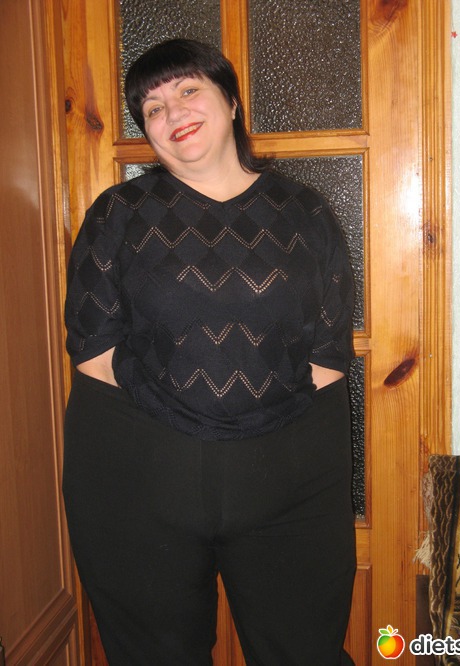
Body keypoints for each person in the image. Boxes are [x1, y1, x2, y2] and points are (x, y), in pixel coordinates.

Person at [63, 38, 356, 666]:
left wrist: (257, 435)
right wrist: (185, 420)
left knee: (304, 651)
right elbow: (91, 346)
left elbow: (329, 350)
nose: (172, 113)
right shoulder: (117, 214)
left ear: (230, 100)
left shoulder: (306, 213)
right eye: (153, 108)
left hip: (288, 478)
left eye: (187, 90)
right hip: (142, 477)